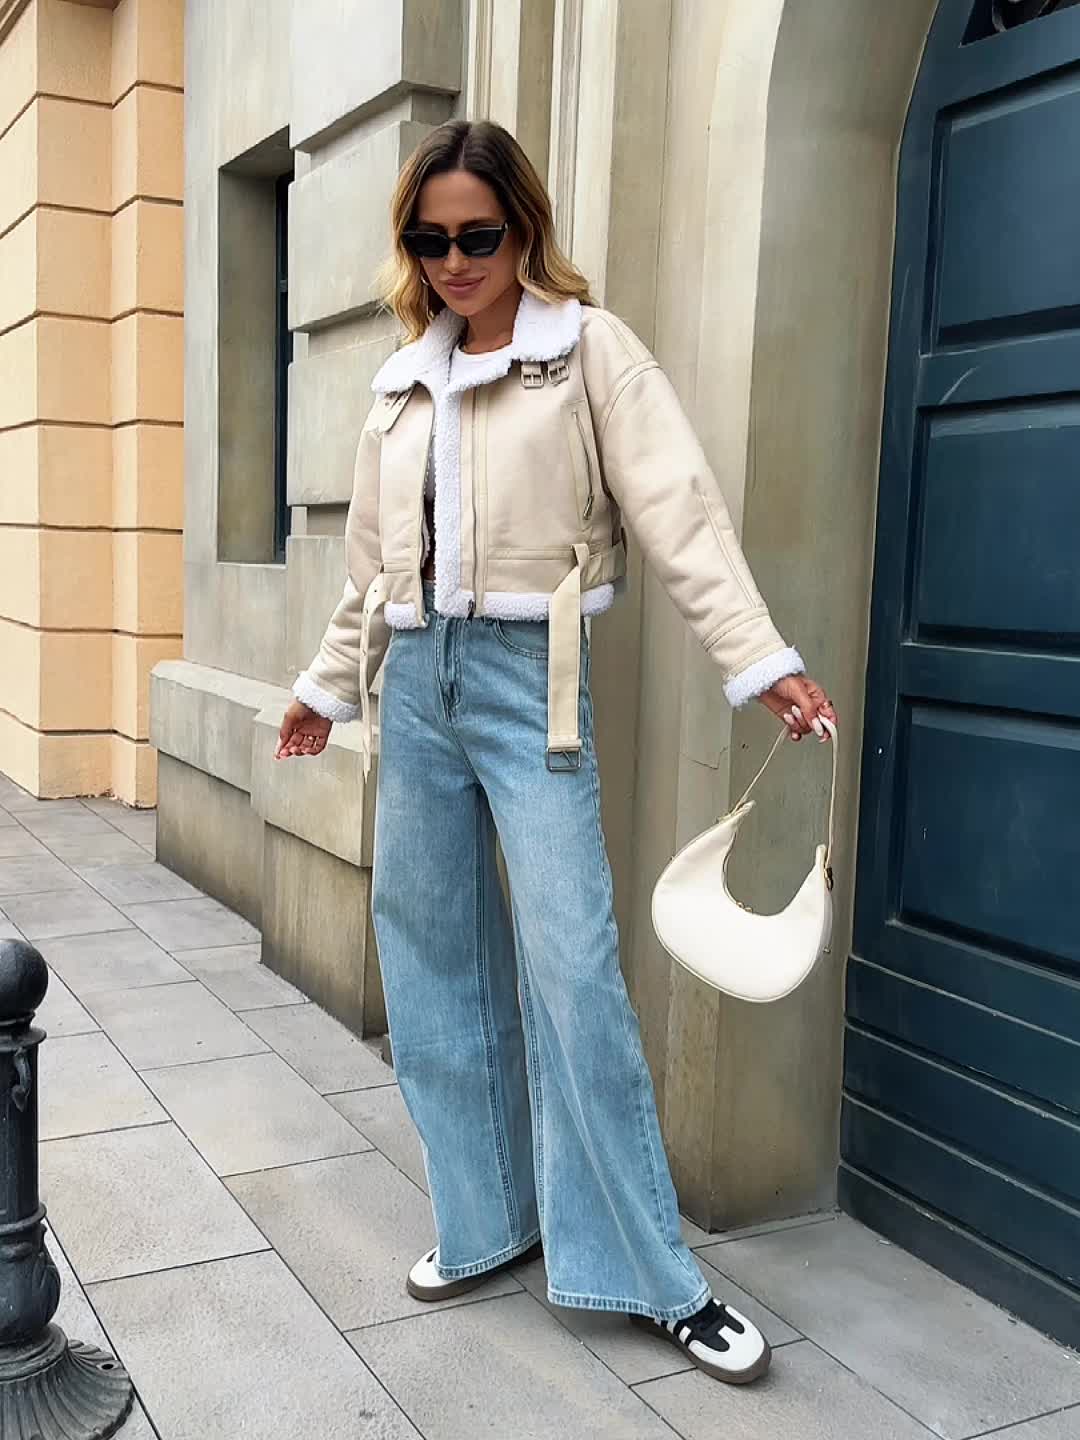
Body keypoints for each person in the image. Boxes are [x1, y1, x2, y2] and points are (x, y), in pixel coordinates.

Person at [276, 118, 836, 1386]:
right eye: (430, 239)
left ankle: (650, 1275)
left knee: (573, 970)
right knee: (431, 959)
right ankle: (486, 1220)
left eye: (477, 234)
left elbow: (680, 512)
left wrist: (760, 660)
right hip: (417, 682)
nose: (455, 261)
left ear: (522, 227)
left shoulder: (588, 353)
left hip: (536, 684)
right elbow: (373, 570)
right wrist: (327, 687)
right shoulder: (401, 383)